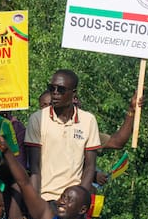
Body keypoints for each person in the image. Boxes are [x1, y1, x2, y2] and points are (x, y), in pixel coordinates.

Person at [25, 69, 139, 206]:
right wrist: (35, 205)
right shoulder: (38, 119)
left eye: (60, 89)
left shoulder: (88, 120)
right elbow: (34, 167)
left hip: (74, 200)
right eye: (51, 88)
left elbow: (91, 166)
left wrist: (80, 200)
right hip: (46, 200)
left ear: (73, 93)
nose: (55, 93)